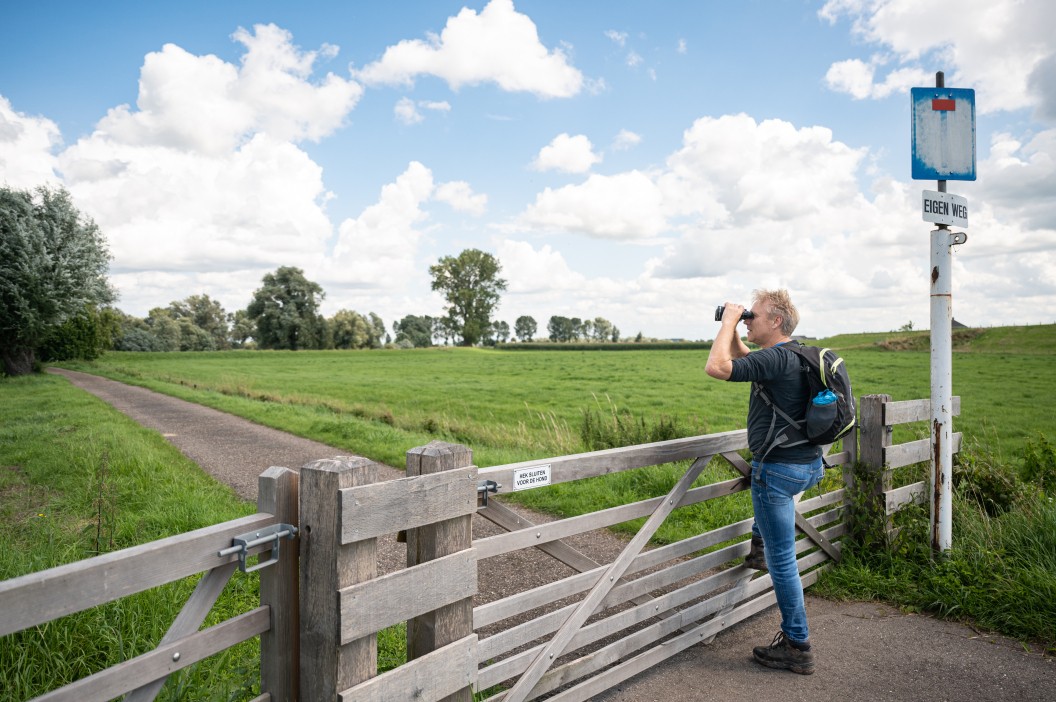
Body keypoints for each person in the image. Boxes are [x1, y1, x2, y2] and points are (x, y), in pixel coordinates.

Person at [704, 289, 823, 675]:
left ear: (776, 321)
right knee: (775, 531)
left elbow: (718, 367)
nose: (747, 320)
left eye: (753, 316)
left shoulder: (777, 357)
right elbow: (744, 358)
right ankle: (760, 542)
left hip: (779, 470)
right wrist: (738, 328)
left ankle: (797, 645)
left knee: (783, 561)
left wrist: (725, 324)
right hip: (808, 464)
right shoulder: (797, 354)